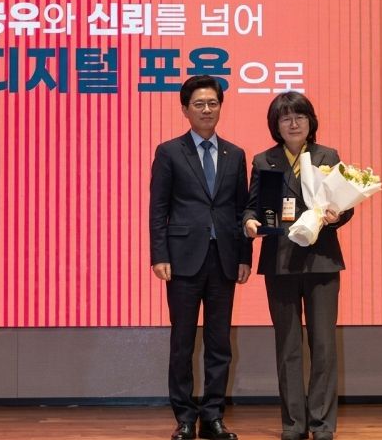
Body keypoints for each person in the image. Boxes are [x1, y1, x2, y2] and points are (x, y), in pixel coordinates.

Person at [243, 92, 354, 440]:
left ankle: (322, 424)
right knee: (288, 345)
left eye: (300, 117)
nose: (293, 124)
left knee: (323, 346)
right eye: (286, 118)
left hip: (321, 262)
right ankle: (293, 423)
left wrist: (338, 215)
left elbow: (345, 204)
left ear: (311, 121)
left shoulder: (327, 156)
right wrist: (249, 222)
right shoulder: (264, 160)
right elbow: (252, 206)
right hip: (280, 263)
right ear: (275, 125)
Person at [150, 75, 251, 440]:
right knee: (182, 342)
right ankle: (183, 418)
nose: (207, 110)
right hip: (182, 259)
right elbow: (158, 208)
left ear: (220, 107)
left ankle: (212, 417)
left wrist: (244, 256)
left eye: (212, 103)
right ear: (185, 109)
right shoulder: (169, 152)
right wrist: (159, 255)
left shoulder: (235, 154)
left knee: (219, 342)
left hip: (224, 258)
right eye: (199, 104)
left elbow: (241, 210)